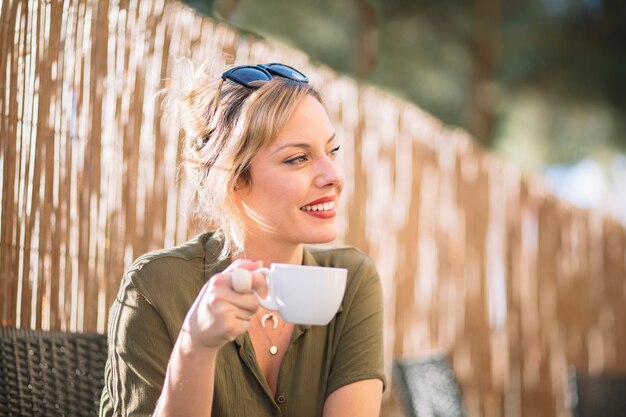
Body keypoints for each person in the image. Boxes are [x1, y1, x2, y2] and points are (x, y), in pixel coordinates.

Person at [99, 62, 386, 417]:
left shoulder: (352, 280)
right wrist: (196, 347)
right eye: (298, 159)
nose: (334, 176)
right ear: (234, 181)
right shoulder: (156, 287)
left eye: (332, 151)